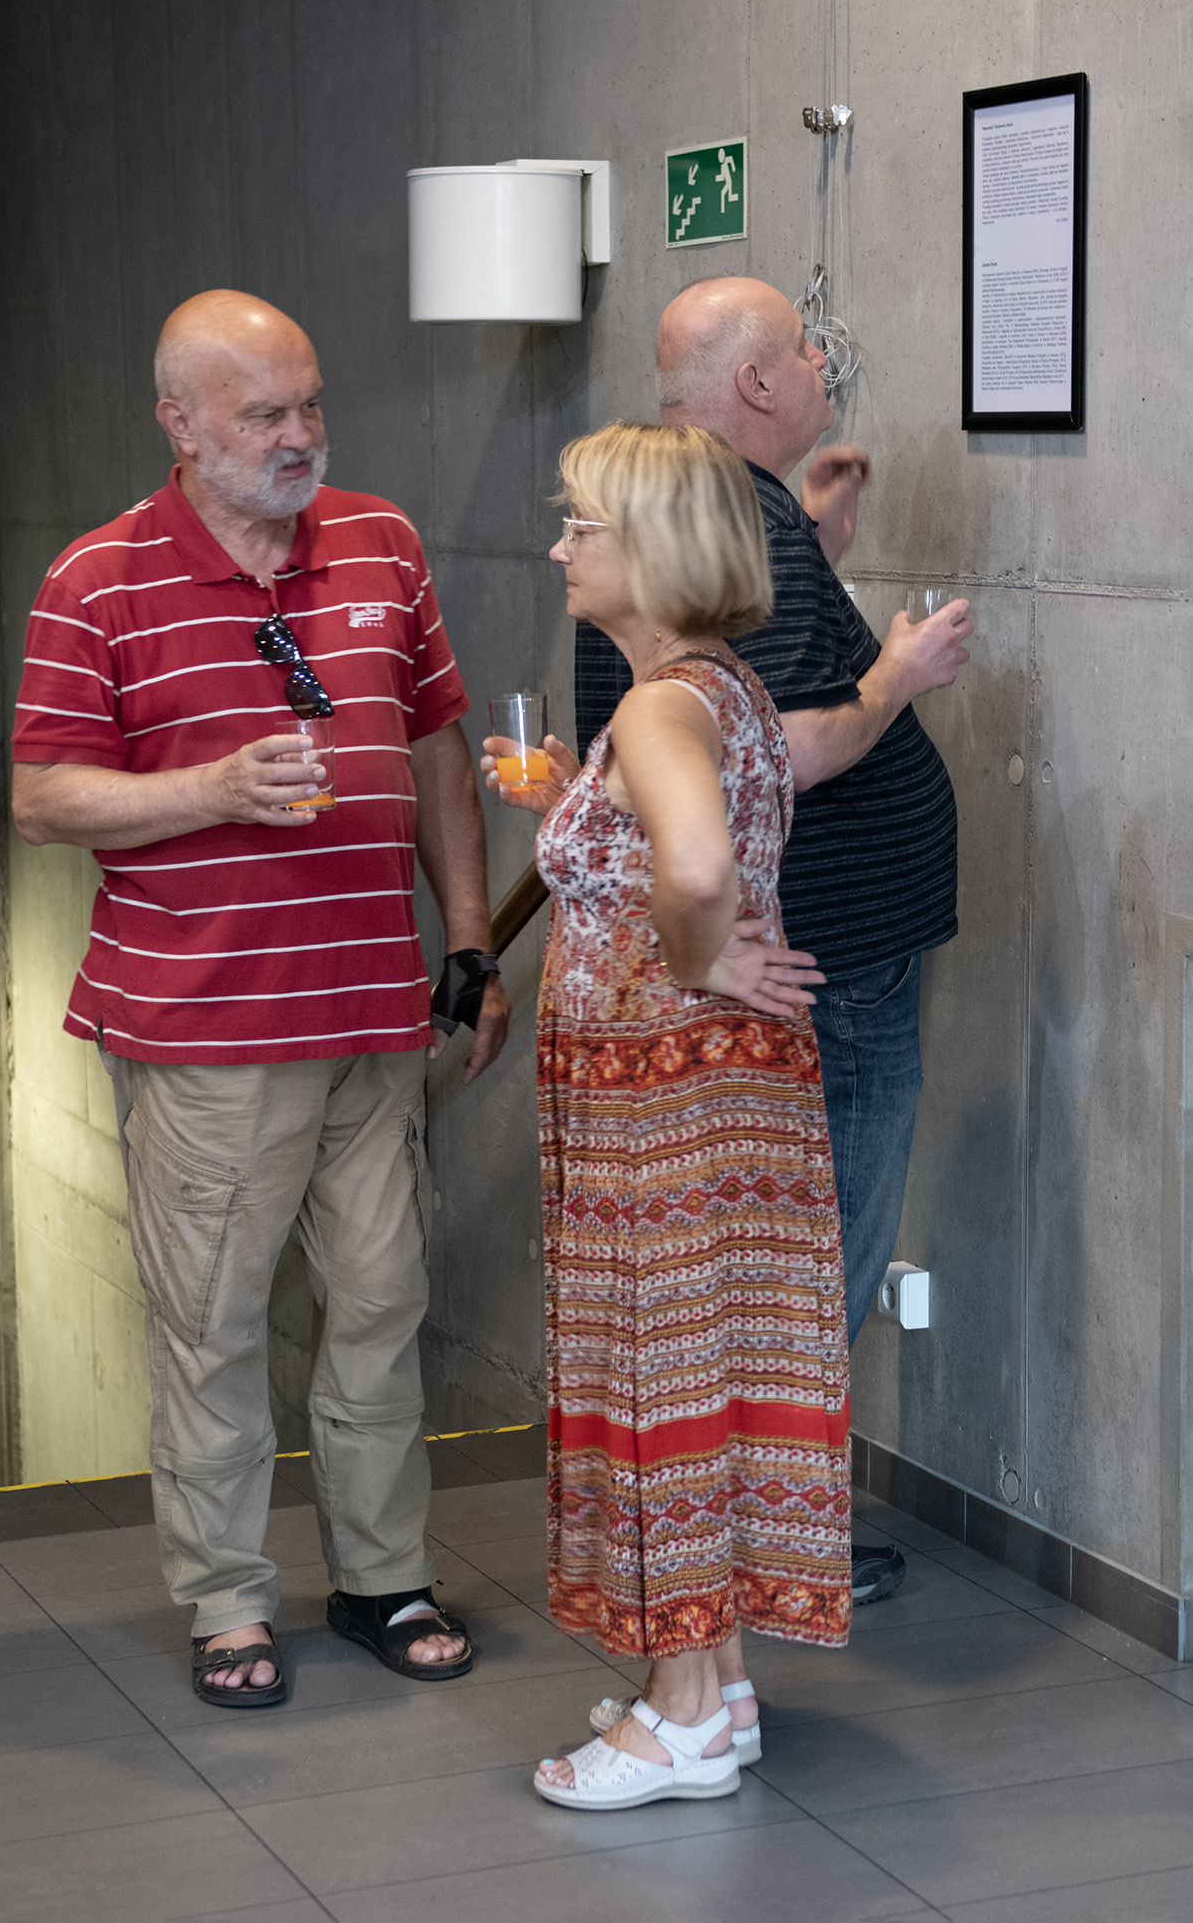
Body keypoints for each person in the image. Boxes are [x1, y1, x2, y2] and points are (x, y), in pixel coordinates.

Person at [11, 290, 509, 1705]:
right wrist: (213, 790)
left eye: (312, 405)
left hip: (375, 1017)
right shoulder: (97, 579)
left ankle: (382, 1576)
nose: (300, 436)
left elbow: (435, 746)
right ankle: (228, 1602)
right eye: (264, 414)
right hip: (206, 1031)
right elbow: (43, 796)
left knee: (382, 1306)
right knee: (215, 1327)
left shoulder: (383, 541)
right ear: (179, 422)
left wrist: (469, 940)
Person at [575, 277, 974, 1606]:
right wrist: (895, 678)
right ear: (756, 383)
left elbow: (729, 673)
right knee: (807, 1269)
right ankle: (764, 1546)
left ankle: (735, 1546)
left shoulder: (714, 518)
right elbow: (770, 740)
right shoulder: (737, 521)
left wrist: (810, 536)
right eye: (804, 349)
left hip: (788, 967)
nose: (820, 364)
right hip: (824, 967)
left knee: (755, 1275)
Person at [485, 421, 851, 1811]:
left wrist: (696, 957)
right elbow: (682, 843)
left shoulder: (656, 707)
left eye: (580, 524)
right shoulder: (719, 687)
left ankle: (684, 1714)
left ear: (650, 547)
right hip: (722, 1089)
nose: (559, 547)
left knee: (659, 1378)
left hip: (664, 1098)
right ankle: (723, 1686)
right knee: (710, 1372)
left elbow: (696, 864)